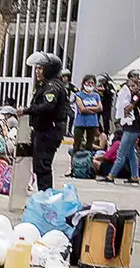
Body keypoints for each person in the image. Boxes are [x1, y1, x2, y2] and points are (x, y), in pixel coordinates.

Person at [17, 52, 67, 191]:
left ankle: (45, 199)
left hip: (49, 131)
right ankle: (43, 196)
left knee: (43, 165)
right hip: (44, 130)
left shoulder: (52, 86)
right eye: (37, 68)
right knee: (39, 165)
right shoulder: (46, 85)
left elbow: (47, 106)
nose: (37, 71)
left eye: (41, 68)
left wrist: (26, 110)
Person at [101, 79, 140, 185]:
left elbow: (128, 109)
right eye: (130, 86)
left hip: (132, 127)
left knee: (121, 152)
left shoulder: (137, 96)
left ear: (138, 86)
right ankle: (135, 176)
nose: (131, 88)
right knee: (130, 153)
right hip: (132, 127)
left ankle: (111, 175)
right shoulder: (135, 95)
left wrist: (123, 102)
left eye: (134, 86)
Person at [73, 74, 102, 152]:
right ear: (84, 83)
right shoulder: (78, 95)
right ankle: (75, 162)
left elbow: (100, 108)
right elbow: (82, 109)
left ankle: (88, 162)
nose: (90, 84)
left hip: (92, 123)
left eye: (92, 83)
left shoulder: (96, 95)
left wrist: (88, 109)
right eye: (88, 82)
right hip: (80, 123)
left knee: (89, 145)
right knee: (77, 145)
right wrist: (94, 111)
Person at [60, 68, 76, 135]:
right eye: (64, 77)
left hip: (66, 104)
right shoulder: (59, 84)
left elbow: (77, 92)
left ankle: (69, 131)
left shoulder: (69, 85)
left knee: (71, 115)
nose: (65, 78)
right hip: (60, 104)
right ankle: (62, 132)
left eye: (66, 77)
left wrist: (73, 100)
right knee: (63, 118)